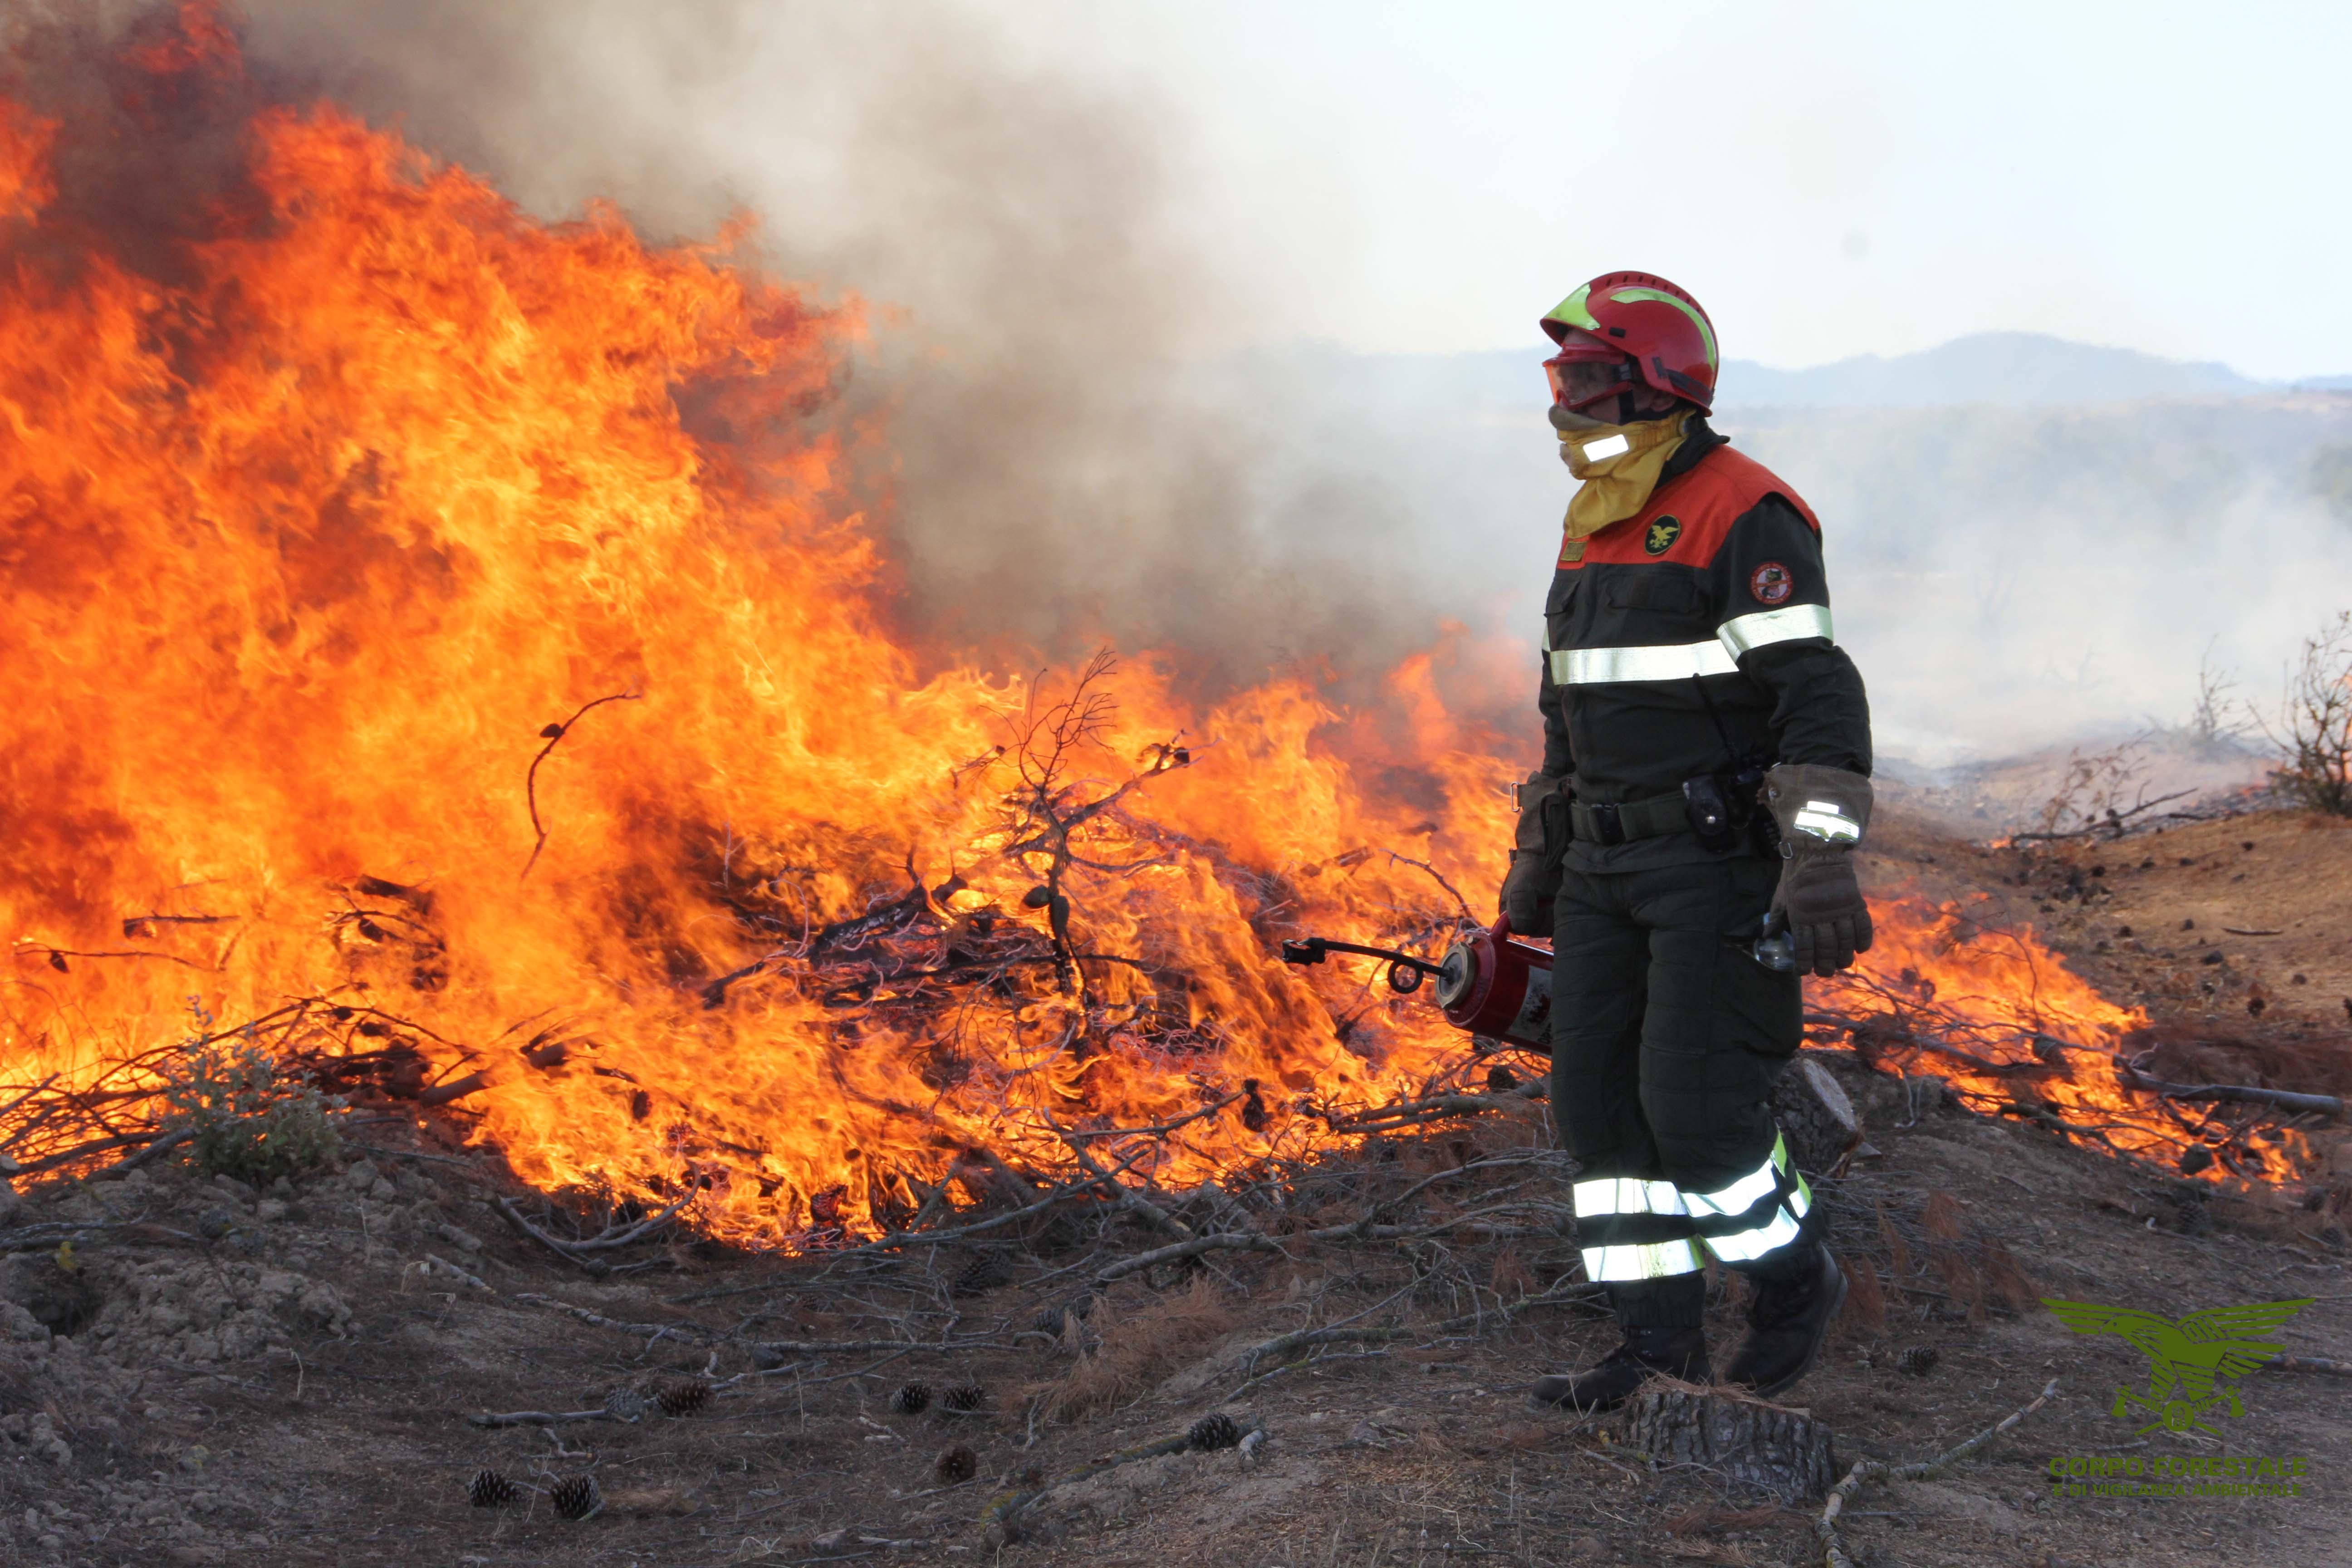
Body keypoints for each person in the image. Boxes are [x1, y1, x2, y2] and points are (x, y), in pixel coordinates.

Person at [1499, 271, 1875, 1411]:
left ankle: (1792, 1279)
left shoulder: (1744, 510)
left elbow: (1818, 700)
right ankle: (1655, 1347)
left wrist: (1817, 860)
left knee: (1700, 1116)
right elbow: (1570, 722)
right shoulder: (1591, 531)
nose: (1568, 406)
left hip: (1710, 870)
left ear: (1660, 383)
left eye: (1591, 381)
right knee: (1599, 1116)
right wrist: (1537, 870)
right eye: (1562, 381)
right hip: (1603, 872)